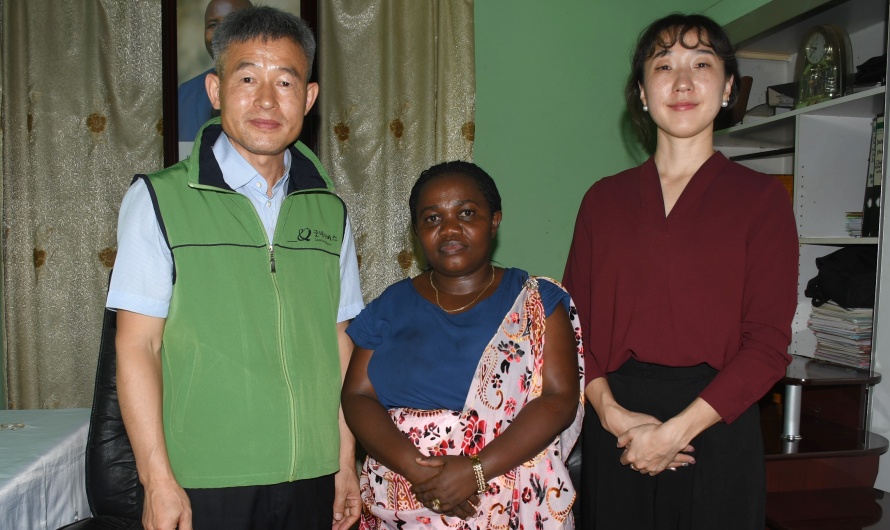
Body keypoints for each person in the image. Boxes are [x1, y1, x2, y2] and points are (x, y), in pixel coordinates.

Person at [108, 6, 362, 530]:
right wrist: (157, 479)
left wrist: (343, 460)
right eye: (247, 78)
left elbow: (340, 341)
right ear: (216, 91)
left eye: (285, 81)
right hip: (202, 481)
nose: (266, 100)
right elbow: (137, 345)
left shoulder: (330, 211)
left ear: (309, 98)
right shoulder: (158, 199)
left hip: (312, 475)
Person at [562, 14, 798, 529]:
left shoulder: (762, 202)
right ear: (643, 92)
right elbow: (574, 331)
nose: (683, 81)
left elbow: (767, 346)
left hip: (717, 423)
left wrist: (673, 434)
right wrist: (614, 416)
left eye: (702, 64)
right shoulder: (603, 201)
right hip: (617, 428)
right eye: (664, 65)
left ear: (729, 86)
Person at [342, 161, 585, 529]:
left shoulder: (535, 302)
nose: (450, 229)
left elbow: (559, 398)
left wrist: (474, 473)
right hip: (400, 498)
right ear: (418, 232)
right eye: (432, 218)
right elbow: (357, 395)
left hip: (506, 501)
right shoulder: (390, 305)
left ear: (495, 220)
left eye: (467, 213)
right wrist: (418, 472)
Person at [177, 0, 252, 142]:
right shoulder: (184, 95)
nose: (220, 33)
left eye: (232, 23)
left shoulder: (274, 92)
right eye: (213, 25)